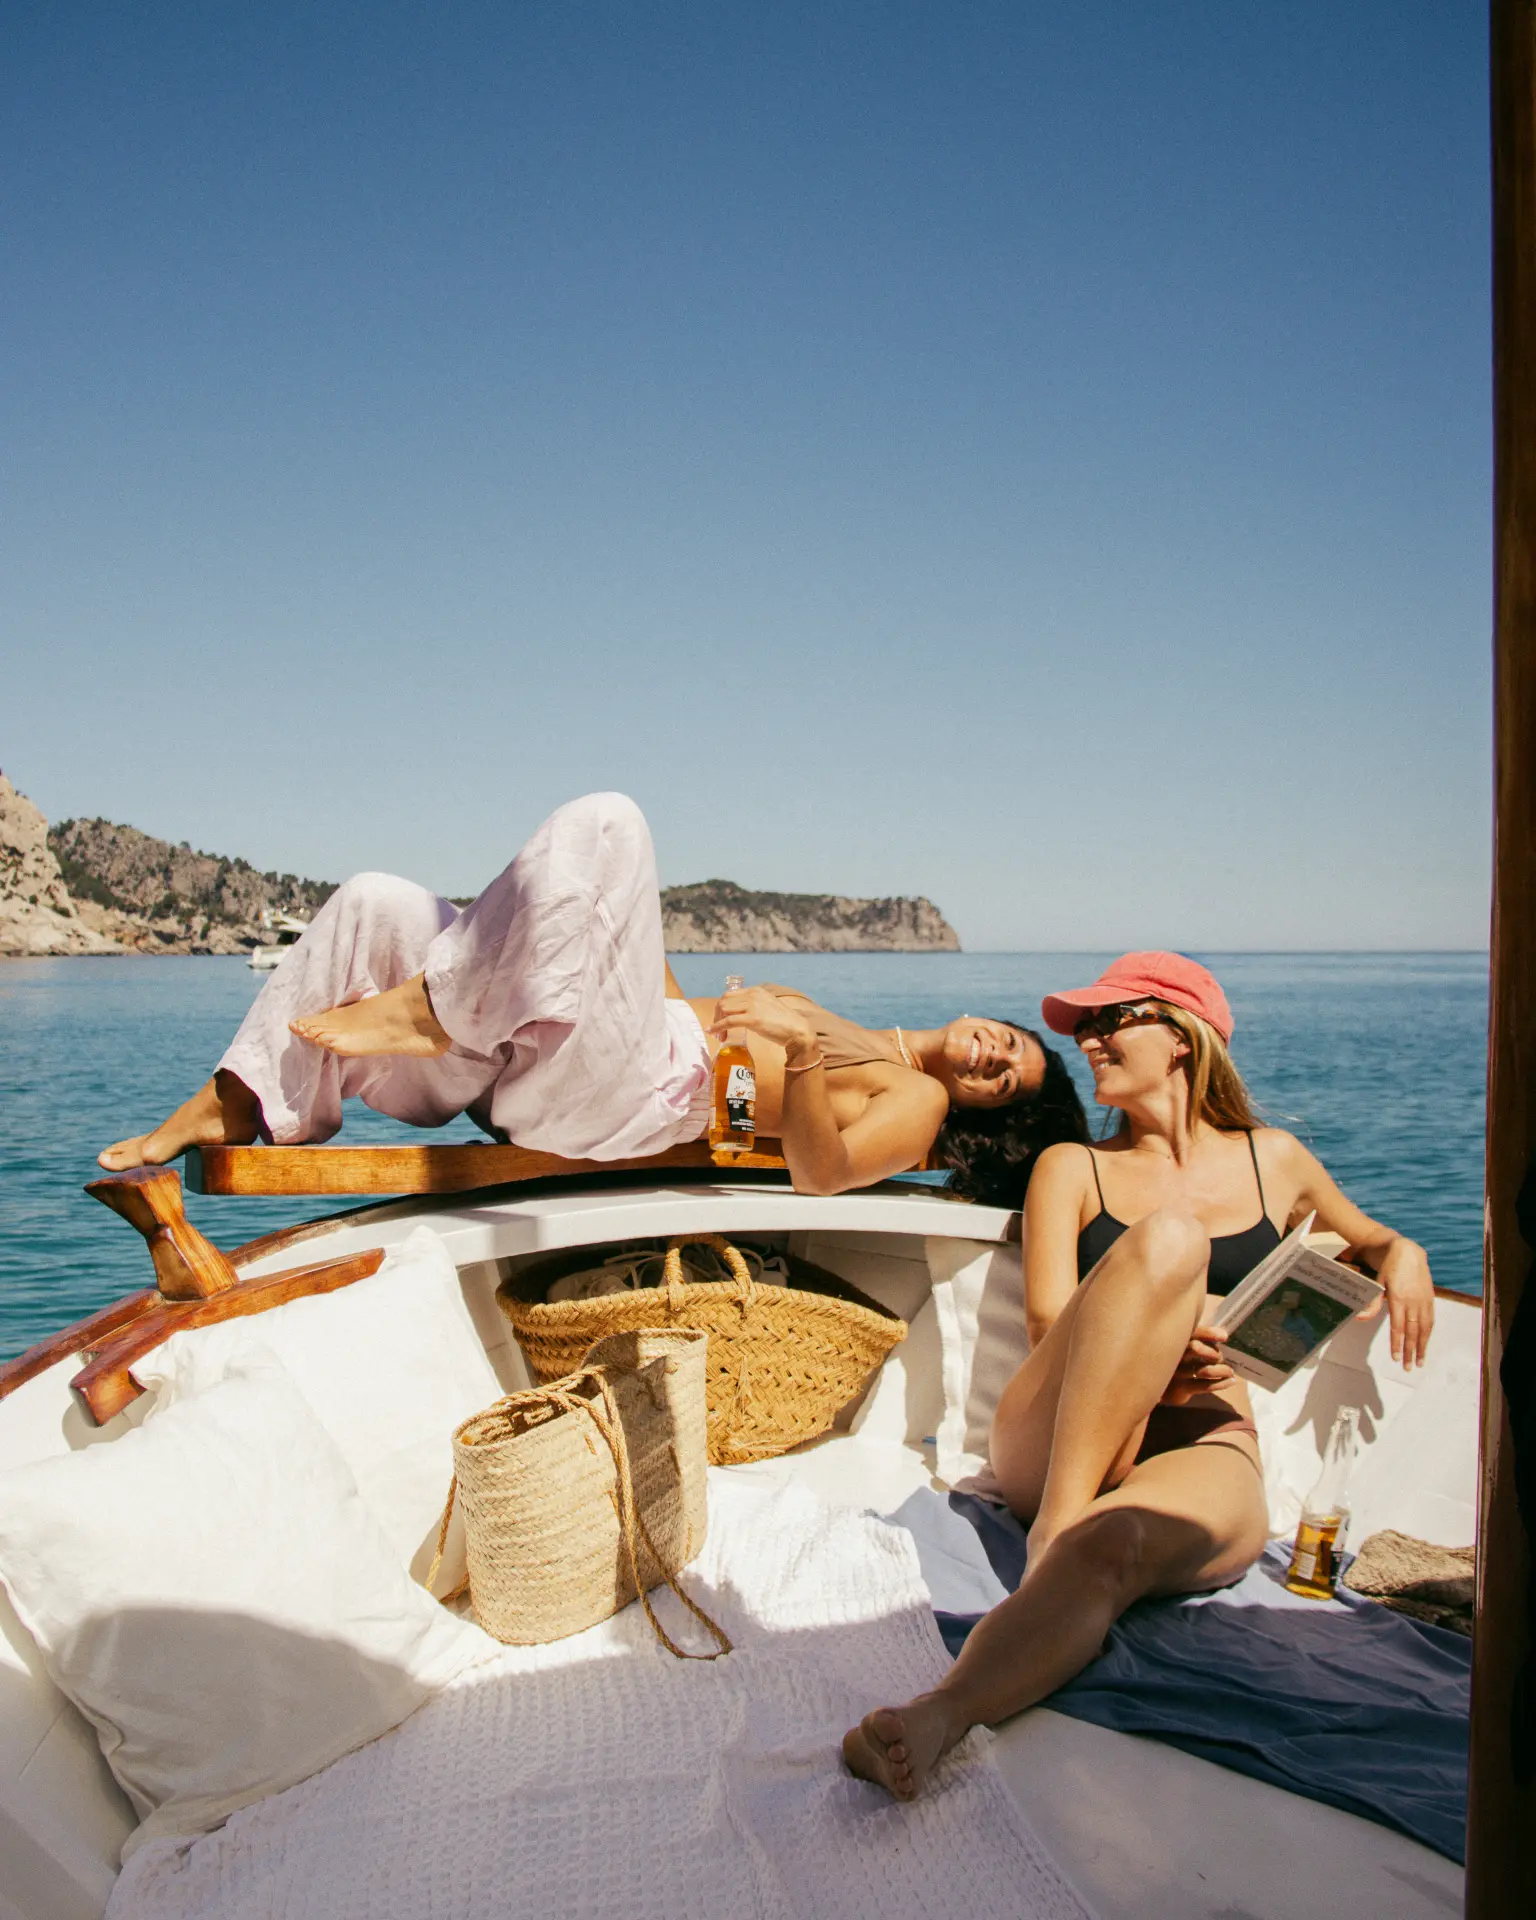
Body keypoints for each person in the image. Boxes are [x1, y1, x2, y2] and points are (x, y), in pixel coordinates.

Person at [843, 949, 1437, 1800]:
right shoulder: (1075, 1168)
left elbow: (1368, 1238)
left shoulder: (1279, 1160)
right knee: (1171, 1239)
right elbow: (1050, 1321)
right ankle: (1054, 1529)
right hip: (1061, 1432)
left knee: (1111, 1550)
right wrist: (1168, 1333)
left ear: (1184, 1036)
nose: (1089, 1042)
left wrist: (1403, 1251)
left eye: (1110, 1020)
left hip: (1203, 1435)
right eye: (1084, 1028)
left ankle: (940, 1716)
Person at [99, 793, 1087, 1205]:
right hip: (608, 1055)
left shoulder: (913, 1100)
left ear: (986, 1109)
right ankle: (240, 1102)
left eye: (1006, 1076)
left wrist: (808, 1052)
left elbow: (820, 1177)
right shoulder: (868, 1031)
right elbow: (673, 1025)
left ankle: (441, 1012)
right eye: (1012, 1039)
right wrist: (615, 944)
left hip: (624, 1097)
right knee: (375, 902)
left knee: (611, 823)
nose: (996, 1051)